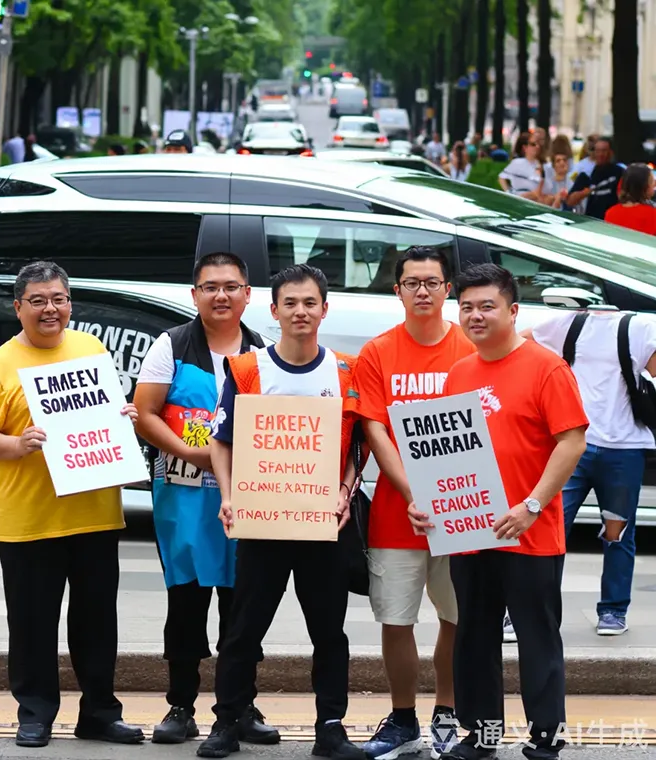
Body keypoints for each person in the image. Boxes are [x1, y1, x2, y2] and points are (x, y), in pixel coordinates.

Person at [0, 261, 145, 749]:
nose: (51, 309)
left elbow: (105, 413)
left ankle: (100, 713)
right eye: (39, 300)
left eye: (59, 299)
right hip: (29, 518)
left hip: (94, 513)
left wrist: (121, 415)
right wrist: (15, 444)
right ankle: (36, 712)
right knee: (32, 623)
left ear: (71, 304)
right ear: (18, 307)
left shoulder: (91, 349)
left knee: (96, 622)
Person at [409, 264, 588, 760]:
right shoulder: (460, 373)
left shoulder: (547, 367)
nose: (475, 315)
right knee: (474, 636)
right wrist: (427, 502)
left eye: (487, 306)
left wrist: (532, 505)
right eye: (466, 307)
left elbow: (572, 440)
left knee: (536, 638)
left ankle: (547, 737)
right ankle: (481, 734)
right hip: (469, 530)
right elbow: (443, 453)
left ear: (513, 310)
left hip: (529, 530)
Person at [197, 263, 365, 760]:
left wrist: (345, 492)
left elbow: (358, 445)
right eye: (290, 303)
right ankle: (227, 720)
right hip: (263, 522)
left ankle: (330, 727)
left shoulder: (344, 371)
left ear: (324, 309)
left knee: (329, 632)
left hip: (322, 523)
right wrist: (229, 496)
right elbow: (221, 442)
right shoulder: (248, 369)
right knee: (244, 628)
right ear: (273, 310)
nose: (300, 311)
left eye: (309, 302)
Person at [134, 252, 277, 745]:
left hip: (248, 500)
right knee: (187, 605)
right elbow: (145, 411)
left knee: (245, 607)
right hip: (185, 500)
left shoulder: (264, 352)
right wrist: (193, 454)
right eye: (211, 287)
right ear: (194, 294)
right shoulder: (170, 345)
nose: (221, 295)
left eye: (231, 287)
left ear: (248, 295)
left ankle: (241, 705)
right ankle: (181, 705)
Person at [354, 247, 476, 760]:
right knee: (396, 619)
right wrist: (410, 491)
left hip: (463, 507)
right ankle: (402, 716)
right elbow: (374, 428)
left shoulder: (472, 345)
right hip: (396, 510)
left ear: (448, 289)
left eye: (431, 281)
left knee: (457, 616)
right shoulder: (377, 352)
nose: (422, 290)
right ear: (397, 290)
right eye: (411, 282)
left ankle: (447, 711)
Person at [522, 308, 656, 635]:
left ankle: (613, 610)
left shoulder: (641, 326)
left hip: (623, 449)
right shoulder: (566, 322)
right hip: (572, 444)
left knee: (617, 533)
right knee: (550, 530)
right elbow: (520, 347)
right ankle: (530, 611)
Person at [566, 137, 624, 220]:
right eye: (598, 151)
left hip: (612, 220)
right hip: (591, 221)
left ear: (610, 152)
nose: (600, 154)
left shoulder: (619, 172)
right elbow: (569, 201)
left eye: (604, 151)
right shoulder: (587, 173)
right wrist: (583, 193)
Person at [603, 163, 656, 235]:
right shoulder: (652, 214)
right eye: (652, 181)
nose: (655, 184)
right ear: (643, 186)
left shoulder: (610, 212)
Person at [498, 133, 549, 201]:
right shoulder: (517, 163)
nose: (537, 147)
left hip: (536, 200)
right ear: (525, 148)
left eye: (538, 144)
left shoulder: (543, 165)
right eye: (533, 144)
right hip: (518, 198)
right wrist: (508, 193)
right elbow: (501, 178)